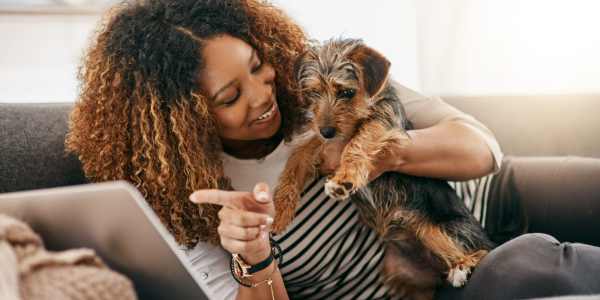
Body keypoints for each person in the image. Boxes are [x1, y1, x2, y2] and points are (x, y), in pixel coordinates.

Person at [65, 0, 600, 299]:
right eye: (230, 96)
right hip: (427, 278)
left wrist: (376, 154)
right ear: (180, 119)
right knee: (527, 264)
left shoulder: (317, 79)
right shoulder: (192, 202)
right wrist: (253, 256)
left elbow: (483, 147)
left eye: (257, 66)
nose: (265, 96)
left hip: (482, 198)